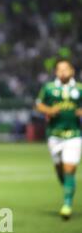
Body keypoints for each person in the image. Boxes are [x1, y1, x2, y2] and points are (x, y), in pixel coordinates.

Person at [35, 59, 82, 219]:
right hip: (54, 135)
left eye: (66, 69)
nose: (63, 72)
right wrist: (49, 109)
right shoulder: (49, 88)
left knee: (69, 168)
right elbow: (39, 105)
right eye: (59, 70)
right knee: (60, 170)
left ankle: (67, 204)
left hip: (74, 135)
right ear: (55, 72)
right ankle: (69, 188)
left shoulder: (79, 89)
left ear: (72, 71)